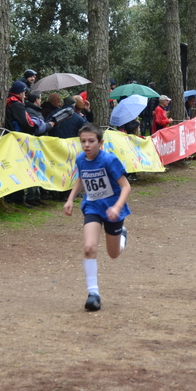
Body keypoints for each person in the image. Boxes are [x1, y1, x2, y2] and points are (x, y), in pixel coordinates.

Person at [63, 124, 131, 312]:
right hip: (92, 206)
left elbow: (126, 187)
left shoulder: (109, 160)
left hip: (112, 210)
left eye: (91, 141)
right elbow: (81, 178)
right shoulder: (80, 160)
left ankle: (122, 237)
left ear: (100, 143)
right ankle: (93, 294)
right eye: (83, 141)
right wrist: (70, 199)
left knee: (113, 254)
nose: (86, 145)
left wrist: (117, 207)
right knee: (89, 247)